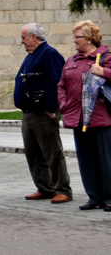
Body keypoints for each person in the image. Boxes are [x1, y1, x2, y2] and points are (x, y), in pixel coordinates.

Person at [13, 23, 71, 203]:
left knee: (52, 153)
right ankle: (45, 188)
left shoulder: (49, 54)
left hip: (43, 113)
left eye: (23, 37)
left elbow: (56, 82)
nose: (21, 41)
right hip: (28, 113)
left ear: (34, 36)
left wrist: (51, 108)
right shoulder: (32, 55)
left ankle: (62, 189)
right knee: (34, 154)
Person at [58, 20, 111, 211]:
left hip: (101, 118)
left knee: (105, 160)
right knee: (86, 160)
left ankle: (108, 198)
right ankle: (93, 197)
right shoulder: (72, 61)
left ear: (89, 38)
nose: (74, 40)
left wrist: (103, 71)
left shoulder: (105, 57)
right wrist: (64, 105)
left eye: (77, 37)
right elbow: (61, 86)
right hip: (78, 118)